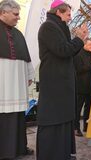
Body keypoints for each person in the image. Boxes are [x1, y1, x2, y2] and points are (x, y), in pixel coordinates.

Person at [37, 0, 88, 160]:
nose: (70, 17)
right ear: (58, 12)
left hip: (62, 84)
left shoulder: (60, 27)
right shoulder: (48, 27)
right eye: (68, 13)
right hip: (54, 83)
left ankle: (63, 153)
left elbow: (68, 52)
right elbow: (63, 50)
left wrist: (79, 39)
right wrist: (79, 38)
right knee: (53, 120)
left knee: (64, 120)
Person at [0, 0, 34, 159]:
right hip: (3, 85)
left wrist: (29, 74)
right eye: (15, 14)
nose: (18, 18)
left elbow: (26, 58)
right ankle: (5, 152)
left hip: (18, 84)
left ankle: (20, 147)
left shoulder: (18, 33)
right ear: (3, 12)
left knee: (19, 116)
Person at [74, 39, 91, 136]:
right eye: (89, 44)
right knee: (78, 108)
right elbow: (79, 69)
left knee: (89, 107)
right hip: (81, 86)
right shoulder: (78, 55)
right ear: (84, 45)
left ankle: (87, 125)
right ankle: (75, 128)